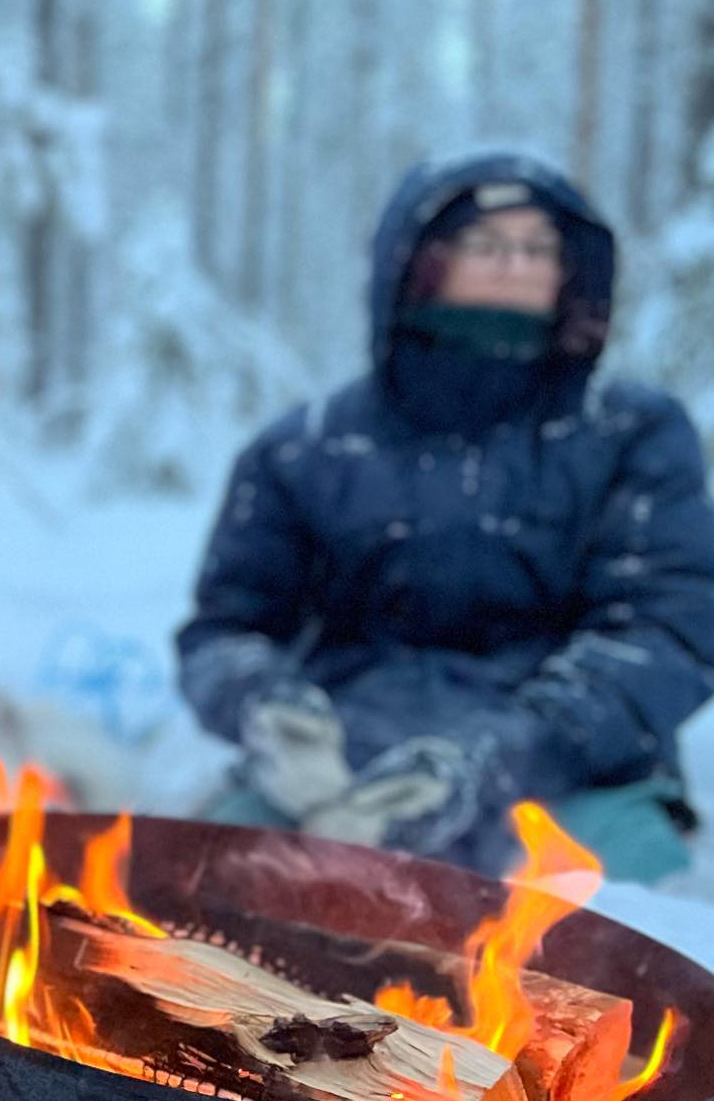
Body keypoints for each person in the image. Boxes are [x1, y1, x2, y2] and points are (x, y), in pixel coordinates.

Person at [177, 150, 714, 881]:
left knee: (631, 920)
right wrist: (271, 713)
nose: (516, 266)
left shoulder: (633, 434)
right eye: (486, 244)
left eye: (539, 248)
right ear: (419, 263)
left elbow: (665, 632)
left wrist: (499, 758)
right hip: (340, 792)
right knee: (194, 889)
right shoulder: (304, 449)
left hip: (568, 788)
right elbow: (225, 630)